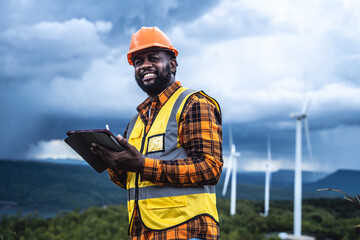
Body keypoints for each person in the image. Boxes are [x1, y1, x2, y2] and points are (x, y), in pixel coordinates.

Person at [90, 26, 223, 240]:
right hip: (144, 234)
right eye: (139, 62)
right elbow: (130, 180)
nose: (145, 66)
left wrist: (142, 164)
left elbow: (210, 168)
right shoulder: (136, 122)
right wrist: (112, 162)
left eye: (153, 58)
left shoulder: (193, 104)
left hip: (187, 233)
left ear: (172, 64)